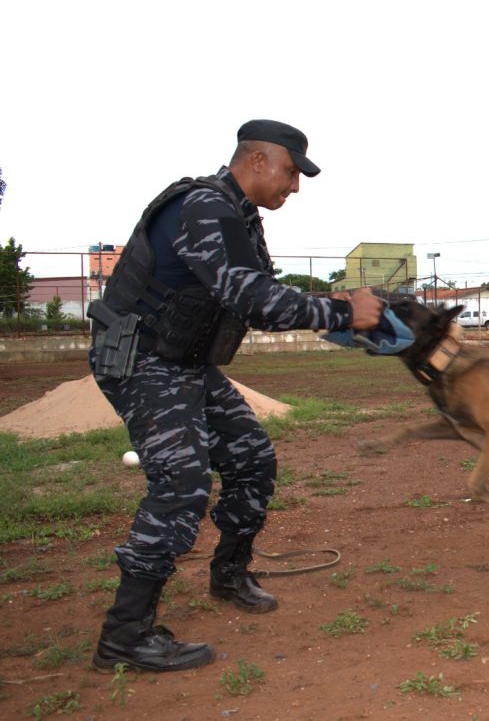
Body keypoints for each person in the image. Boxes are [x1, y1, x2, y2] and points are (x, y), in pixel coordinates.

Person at [87, 119, 382, 673]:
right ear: (258, 161)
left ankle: (229, 575)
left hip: (186, 363)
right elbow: (254, 298)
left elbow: (263, 292)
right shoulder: (205, 207)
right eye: (292, 172)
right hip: (143, 360)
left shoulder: (240, 217)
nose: (294, 187)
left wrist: (342, 313)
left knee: (251, 459)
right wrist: (344, 311)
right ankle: (124, 637)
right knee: (181, 482)